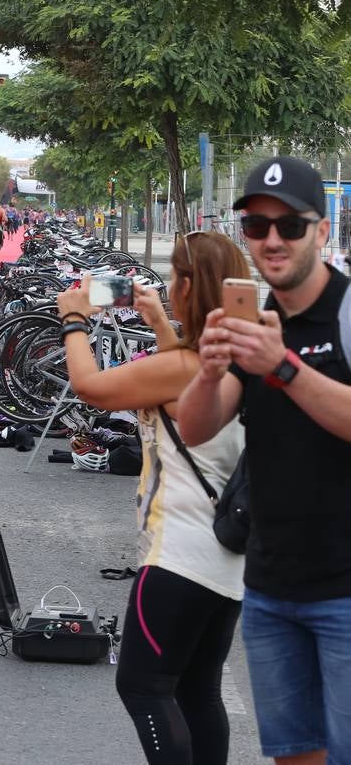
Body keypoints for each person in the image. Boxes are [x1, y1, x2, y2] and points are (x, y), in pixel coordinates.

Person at [178, 156, 351, 765]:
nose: (272, 240)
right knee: (294, 755)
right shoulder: (259, 319)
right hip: (271, 586)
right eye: (255, 226)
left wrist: (283, 367)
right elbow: (197, 429)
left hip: (346, 590)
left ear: (323, 230)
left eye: (291, 226)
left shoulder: (347, 311)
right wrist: (210, 368)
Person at [60, 233, 250, 765]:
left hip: (180, 556)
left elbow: (90, 386)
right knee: (196, 690)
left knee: (143, 686)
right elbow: (182, 385)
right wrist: (163, 328)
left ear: (188, 285)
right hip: (225, 558)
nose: (167, 288)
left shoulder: (187, 367)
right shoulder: (233, 358)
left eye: (174, 281)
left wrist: (74, 318)